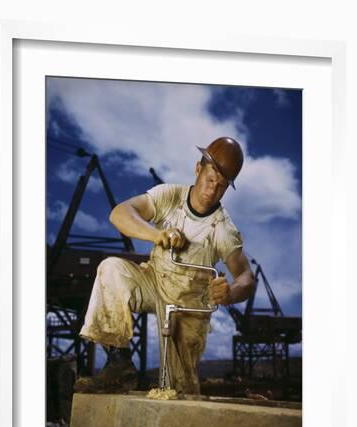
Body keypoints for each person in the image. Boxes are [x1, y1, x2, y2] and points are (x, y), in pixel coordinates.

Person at [74, 137, 255, 395]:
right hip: (154, 281)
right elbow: (119, 213)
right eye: (210, 178)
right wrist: (155, 235)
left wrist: (231, 293)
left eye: (222, 186)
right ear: (198, 169)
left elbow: (246, 276)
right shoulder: (169, 196)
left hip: (189, 306)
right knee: (111, 269)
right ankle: (119, 364)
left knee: (178, 390)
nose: (212, 189)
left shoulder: (223, 230)